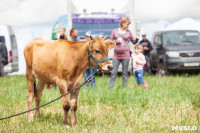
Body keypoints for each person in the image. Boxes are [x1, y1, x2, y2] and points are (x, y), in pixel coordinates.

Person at [109, 17, 139, 88]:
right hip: (116, 55)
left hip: (126, 55)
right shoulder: (115, 31)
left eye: (129, 24)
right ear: (122, 23)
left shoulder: (128, 32)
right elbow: (109, 42)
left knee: (125, 73)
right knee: (113, 72)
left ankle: (124, 87)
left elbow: (133, 42)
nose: (128, 25)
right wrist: (116, 41)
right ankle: (110, 87)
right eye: (127, 24)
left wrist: (137, 39)